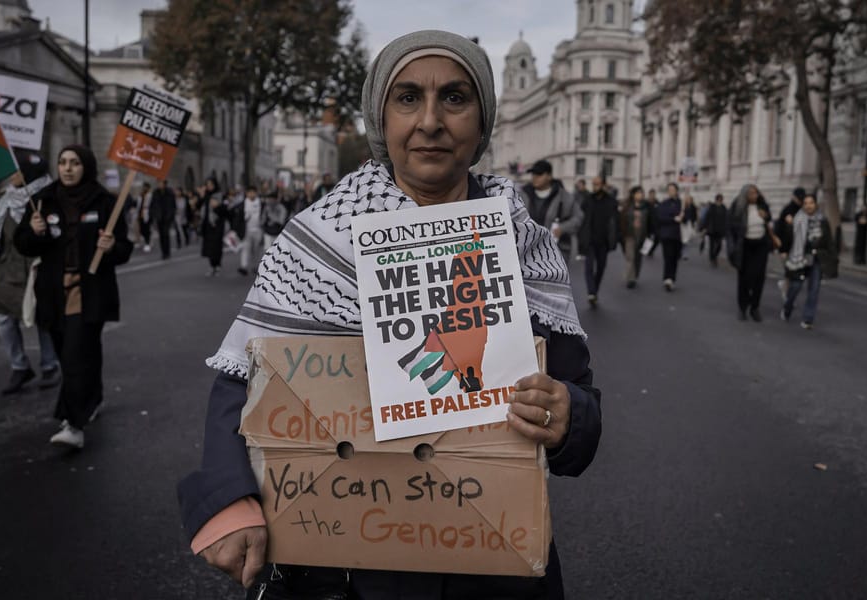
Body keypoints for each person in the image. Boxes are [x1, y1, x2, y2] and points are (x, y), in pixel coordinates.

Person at [178, 30, 601, 599]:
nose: (430, 121)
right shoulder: (317, 241)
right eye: (407, 98)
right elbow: (242, 381)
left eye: (454, 98)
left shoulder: (522, 244)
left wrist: (569, 414)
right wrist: (229, 498)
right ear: (381, 118)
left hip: (491, 568)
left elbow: (579, 395)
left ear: (482, 121)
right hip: (340, 571)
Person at [14, 145, 134, 449]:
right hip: (52, 294)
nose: (67, 168)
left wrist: (110, 247)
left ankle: (72, 425)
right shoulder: (43, 200)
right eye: (63, 162)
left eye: (75, 163)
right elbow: (23, 245)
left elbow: (124, 250)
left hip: (89, 292)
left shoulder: (106, 202)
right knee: (75, 355)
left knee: (75, 355)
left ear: (87, 167)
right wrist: (34, 231)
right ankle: (91, 398)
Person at [0, 167, 61, 393]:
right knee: (3, 319)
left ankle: (50, 364)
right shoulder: (6, 200)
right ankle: (19, 366)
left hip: (34, 266)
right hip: (7, 268)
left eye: (16, 170)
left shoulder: (46, 197)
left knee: (41, 316)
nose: (11, 175)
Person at [780, 194, 838, 329]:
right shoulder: (797, 219)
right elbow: (788, 239)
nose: (808, 205)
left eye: (811, 202)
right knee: (795, 287)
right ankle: (787, 308)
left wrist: (832, 258)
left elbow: (829, 241)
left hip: (817, 259)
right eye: (805, 203)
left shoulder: (823, 220)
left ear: (815, 204)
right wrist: (788, 227)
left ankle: (808, 319)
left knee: (814, 290)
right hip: (799, 259)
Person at [727, 184, 778, 321]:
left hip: (760, 246)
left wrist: (766, 216)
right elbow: (731, 228)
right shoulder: (738, 207)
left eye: (756, 193)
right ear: (745, 195)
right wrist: (732, 248)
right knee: (744, 278)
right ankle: (743, 307)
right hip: (744, 246)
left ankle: (755, 307)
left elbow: (769, 223)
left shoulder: (762, 205)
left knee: (758, 278)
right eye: (751, 193)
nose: (754, 196)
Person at [519, 159, 583, 258]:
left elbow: (578, 217)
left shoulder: (564, 196)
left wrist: (562, 228)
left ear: (549, 176)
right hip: (527, 249)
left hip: (555, 251)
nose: (535, 178)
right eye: (533, 174)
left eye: (539, 174)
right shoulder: (522, 194)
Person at [579, 175, 619, 306]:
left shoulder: (611, 202)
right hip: (590, 239)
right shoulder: (587, 200)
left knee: (601, 267)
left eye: (597, 184)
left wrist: (614, 239)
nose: (595, 187)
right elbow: (582, 219)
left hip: (604, 241)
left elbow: (615, 221)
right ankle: (591, 292)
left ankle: (594, 290)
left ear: (603, 185)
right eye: (593, 184)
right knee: (589, 267)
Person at [774, 187, 806, 301]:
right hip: (787, 247)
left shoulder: (803, 210)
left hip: (798, 247)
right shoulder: (787, 210)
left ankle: (785, 288)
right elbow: (779, 230)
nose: (800, 201)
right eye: (799, 198)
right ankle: (786, 294)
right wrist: (782, 249)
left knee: (793, 272)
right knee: (790, 271)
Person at [619, 185, 651, 288]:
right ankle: (630, 278)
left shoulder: (646, 206)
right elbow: (622, 220)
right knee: (630, 257)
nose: (640, 195)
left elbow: (651, 221)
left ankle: (635, 274)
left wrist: (651, 233)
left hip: (642, 235)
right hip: (629, 234)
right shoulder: (627, 206)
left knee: (638, 257)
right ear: (633, 195)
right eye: (638, 193)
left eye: (641, 193)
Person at [654, 182, 683, 291]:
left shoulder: (681, 204)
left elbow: (688, 217)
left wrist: (683, 216)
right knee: (668, 257)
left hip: (678, 235)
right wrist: (673, 219)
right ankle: (667, 278)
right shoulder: (663, 204)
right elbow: (660, 218)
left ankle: (672, 278)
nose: (671, 191)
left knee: (675, 257)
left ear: (676, 191)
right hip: (667, 235)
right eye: (669, 189)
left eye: (673, 189)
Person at [230, 185, 264, 276]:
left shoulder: (261, 203)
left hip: (258, 229)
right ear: (246, 193)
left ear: (256, 193)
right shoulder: (242, 204)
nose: (251, 194)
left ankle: (255, 266)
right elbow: (235, 216)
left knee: (256, 249)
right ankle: (243, 267)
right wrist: (235, 228)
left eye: (253, 192)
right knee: (245, 248)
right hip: (246, 230)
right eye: (250, 192)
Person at [198, 177, 226, 277]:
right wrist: (201, 196)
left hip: (217, 224)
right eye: (207, 184)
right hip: (207, 225)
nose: (209, 186)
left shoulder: (219, 195)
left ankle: (217, 265)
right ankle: (211, 266)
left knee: (217, 246)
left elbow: (225, 211)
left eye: (211, 184)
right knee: (209, 247)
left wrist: (217, 206)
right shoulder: (206, 195)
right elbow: (199, 207)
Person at [150, 179, 177, 259]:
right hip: (159, 217)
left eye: (161, 183)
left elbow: (173, 205)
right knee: (161, 235)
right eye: (158, 183)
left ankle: (167, 252)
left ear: (165, 184)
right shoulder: (155, 193)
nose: (159, 184)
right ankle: (163, 252)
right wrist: (154, 215)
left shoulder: (170, 192)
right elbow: (153, 205)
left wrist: (171, 215)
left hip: (167, 217)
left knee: (166, 234)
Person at [703, 193, 727, 267]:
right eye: (719, 200)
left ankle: (714, 256)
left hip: (720, 230)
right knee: (712, 245)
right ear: (716, 200)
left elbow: (727, 218)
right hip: (712, 229)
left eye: (721, 200)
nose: (720, 201)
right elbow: (707, 217)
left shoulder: (724, 208)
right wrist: (704, 227)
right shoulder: (712, 207)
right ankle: (712, 259)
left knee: (719, 245)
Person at [680, 193, 698, 259]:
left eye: (689, 199)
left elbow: (695, 216)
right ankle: (681, 252)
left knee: (687, 240)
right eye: (687, 199)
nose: (688, 201)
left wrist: (694, 224)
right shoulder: (682, 207)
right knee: (682, 240)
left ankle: (685, 254)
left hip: (689, 224)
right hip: (682, 225)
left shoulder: (693, 207)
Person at [137, 181, 153, 252]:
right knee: (142, 230)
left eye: (146, 187)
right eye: (144, 187)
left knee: (147, 229)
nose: (144, 188)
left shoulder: (150, 195)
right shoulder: (141, 195)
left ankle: (148, 243)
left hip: (147, 214)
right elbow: (138, 205)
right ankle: (146, 241)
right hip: (141, 214)